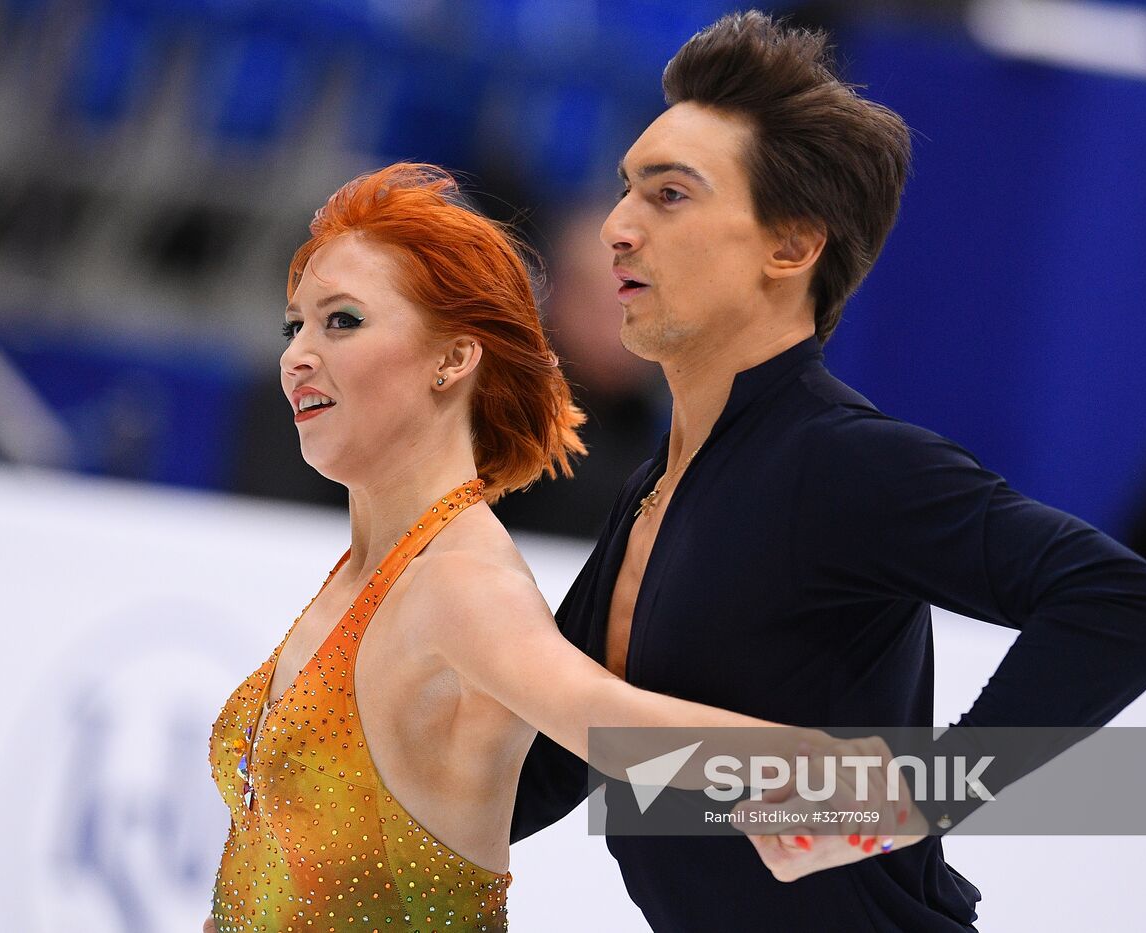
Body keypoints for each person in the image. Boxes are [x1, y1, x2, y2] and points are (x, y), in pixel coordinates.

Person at [509, 11, 1146, 932]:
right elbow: (556, 765)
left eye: (669, 195)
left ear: (791, 247)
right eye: (626, 189)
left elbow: (1130, 605)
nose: (618, 228)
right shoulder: (656, 488)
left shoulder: (845, 460)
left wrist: (923, 797)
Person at [203, 163, 921, 933]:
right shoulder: (366, 569)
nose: (298, 355)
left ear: (453, 358)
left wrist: (896, 793)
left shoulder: (461, 583)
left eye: (341, 321)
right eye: (295, 325)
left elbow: (617, 724)